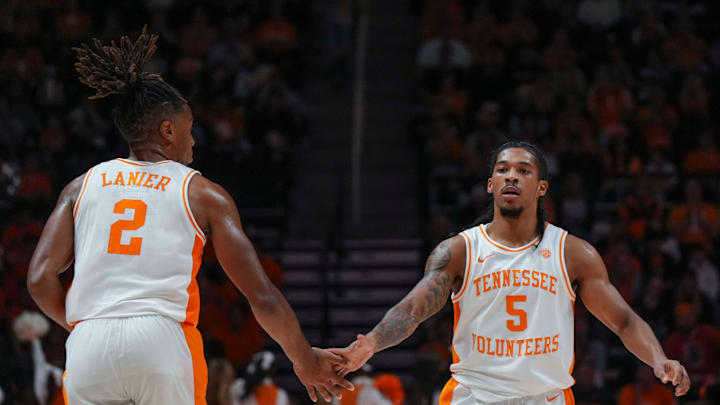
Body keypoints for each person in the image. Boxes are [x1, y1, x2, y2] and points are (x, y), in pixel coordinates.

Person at [26, 27, 351, 405]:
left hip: (88, 344)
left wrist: (82, 326)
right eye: (189, 128)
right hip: (160, 338)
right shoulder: (202, 193)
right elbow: (261, 295)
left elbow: (38, 279)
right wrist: (304, 358)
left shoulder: (80, 186)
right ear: (167, 131)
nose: (193, 141)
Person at [331, 141, 690, 403]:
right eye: (502, 169)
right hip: (475, 396)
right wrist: (373, 343)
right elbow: (412, 311)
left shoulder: (572, 254)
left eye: (523, 170)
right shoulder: (459, 251)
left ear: (541, 188)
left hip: (546, 397)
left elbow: (624, 321)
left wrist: (659, 359)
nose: (511, 177)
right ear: (490, 185)